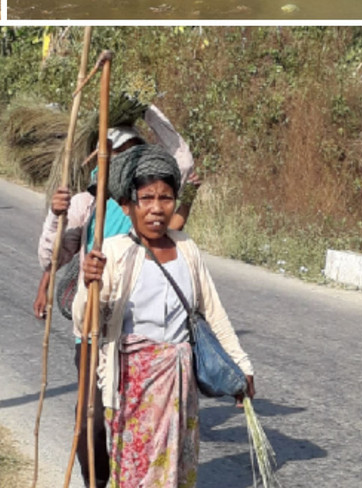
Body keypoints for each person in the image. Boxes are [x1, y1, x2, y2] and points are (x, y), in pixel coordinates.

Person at [32, 104, 198, 488]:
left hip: (142, 332)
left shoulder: (147, 202)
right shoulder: (85, 203)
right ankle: (96, 481)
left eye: (133, 153)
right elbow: (51, 257)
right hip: (95, 326)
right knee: (90, 417)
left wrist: (147, 109)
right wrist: (55, 217)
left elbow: (184, 163)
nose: (126, 161)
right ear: (102, 157)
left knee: (139, 417)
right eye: (118, 153)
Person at [74, 144, 255, 488]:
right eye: (146, 198)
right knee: (135, 475)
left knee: (175, 472)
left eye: (166, 198)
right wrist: (89, 284)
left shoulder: (187, 249)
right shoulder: (113, 252)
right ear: (127, 205)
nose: (157, 208)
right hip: (131, 388)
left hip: (179, 388)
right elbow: (87, 323)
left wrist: (241, 365)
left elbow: (213, 313)